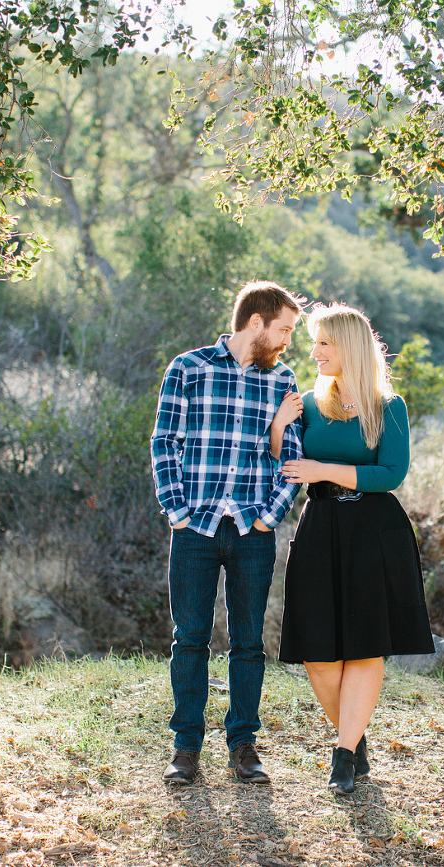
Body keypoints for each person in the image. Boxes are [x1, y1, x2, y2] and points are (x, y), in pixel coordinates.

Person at [270, 303, 434, 795]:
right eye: (314, 343)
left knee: (365, 646)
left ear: (350, 347)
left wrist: (325, 470)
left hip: (374, 531)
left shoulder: (390, 407)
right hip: (320, 527)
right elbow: (288, 464)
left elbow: (391, 474)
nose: (314, 352)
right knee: (318, 652)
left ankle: (344, 753)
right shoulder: (305, 403)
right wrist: (280, 425)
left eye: (324, 343)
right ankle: (354, 736)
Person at [150, 281, 306, 785]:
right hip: (194, 527)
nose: (287, 341)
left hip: (252, 531)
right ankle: (185, 747)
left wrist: (269, 516)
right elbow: (163, 442)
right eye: (283, 329)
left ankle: (243, 744)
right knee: (190, 638)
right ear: (256, 322)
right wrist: (175, 510)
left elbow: (293, 460)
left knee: (248, 642)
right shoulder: (187, 368)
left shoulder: (283, 381)